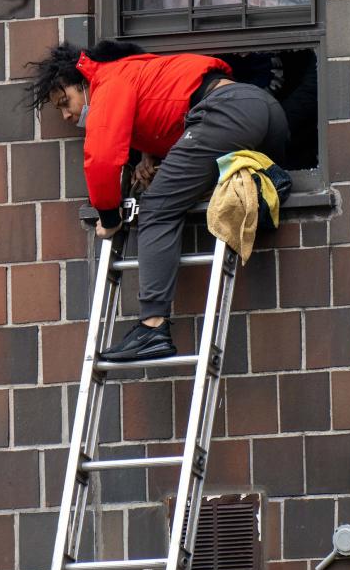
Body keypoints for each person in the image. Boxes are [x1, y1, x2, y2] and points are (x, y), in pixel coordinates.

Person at [26, 41, 289, 361]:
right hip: (265, 112)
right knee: (189, 187)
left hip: (228, 111)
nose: (67, 115)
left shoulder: (107, 80)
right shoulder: (135, 72)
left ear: (82, 82)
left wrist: (109, 218)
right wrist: (149, 154)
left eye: (65, 102)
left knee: (156, 207)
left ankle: (151, 326)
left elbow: (103, 158)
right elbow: (173, 106)